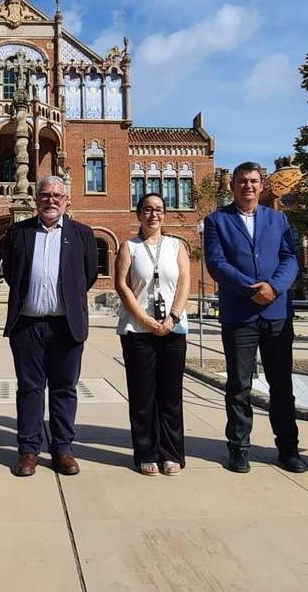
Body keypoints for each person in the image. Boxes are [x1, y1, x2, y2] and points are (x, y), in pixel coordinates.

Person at [203, 161, 306, 474]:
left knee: (281, 385)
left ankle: (288, 449)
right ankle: (239, 448)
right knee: (239, 385)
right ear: (232, 186)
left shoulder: (279, 220)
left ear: (262, 186)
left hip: (276, 314)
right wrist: (252, 290)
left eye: (254, 181)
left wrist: (273, 288)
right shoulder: (216, 221)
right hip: (240, 316)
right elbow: (217, 264)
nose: (248, 186)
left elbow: (291, 259)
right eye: (242, 181)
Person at [2, 176, 98, 477]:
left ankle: (63, 449)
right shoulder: (18, 232)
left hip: (66, 327)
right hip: (28, 326)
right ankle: (28, 450)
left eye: (58, 195)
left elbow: (89, 274)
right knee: (29, 390)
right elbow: (10, 272)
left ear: (66, 200)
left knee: (64, 390)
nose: (51, 200)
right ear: (36, 199)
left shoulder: (82, 234)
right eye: (45, 195)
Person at [114, 193, 190, 476]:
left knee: (171, 396)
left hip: (172, 329)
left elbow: (184, 282)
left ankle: (171, 453)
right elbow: (122, 285)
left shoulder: (176, 246)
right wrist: (144, 318)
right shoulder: (129, 247)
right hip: (138, 330)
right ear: (139, 214)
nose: (153, 215)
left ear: (165, 214)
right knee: (143, 396)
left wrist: (173, 317)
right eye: (147, 209)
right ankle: (146, 453)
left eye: (158, 209)